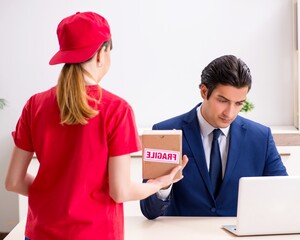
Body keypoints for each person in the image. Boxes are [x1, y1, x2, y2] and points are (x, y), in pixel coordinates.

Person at [5, 11, 187, 240]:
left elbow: (13, 182)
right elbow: (120, 191)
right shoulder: (117, 109)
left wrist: (53, 195)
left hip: (40, 232)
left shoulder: (35, 104)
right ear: (102, 53)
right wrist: (160, 182)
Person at [140, 55, 288, 219]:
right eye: (223, 100)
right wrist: (163, 186)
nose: (230, 113)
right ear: (204, 91)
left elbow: (283, 195)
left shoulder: (260, 138)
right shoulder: (165, 132)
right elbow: (149, 211)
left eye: (239, 103)